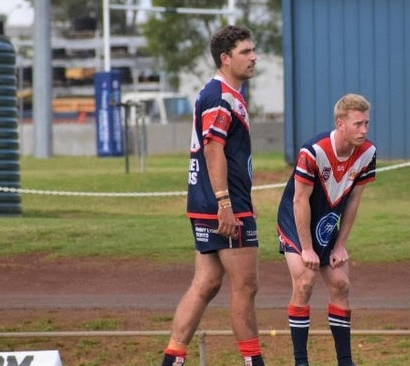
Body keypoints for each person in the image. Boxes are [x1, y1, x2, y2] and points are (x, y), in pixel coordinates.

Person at [160, 25, 265, 366]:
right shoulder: (221, 96)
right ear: (225, 58)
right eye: (245, 52)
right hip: (222, 205)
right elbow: (213, 148)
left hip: (205, 203)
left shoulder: (222, 92)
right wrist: (226, 203)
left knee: (205, 283)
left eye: (253, 50)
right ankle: (254, 362)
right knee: (245, 287)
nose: (253, 57)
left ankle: (172, 359)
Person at [276, 93, 376, 366]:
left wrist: (340, 243)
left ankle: (345, 361)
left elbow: (354, 199)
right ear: (340, 123)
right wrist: (307, 248)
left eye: (367, 123)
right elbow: (299, 200)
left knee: (341, 284)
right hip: (296, 219)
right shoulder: (314, 151)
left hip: (328, 221)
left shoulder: (367, 152)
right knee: (305, 281)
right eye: (358, 124)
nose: (364, 130)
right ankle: (301, 361)